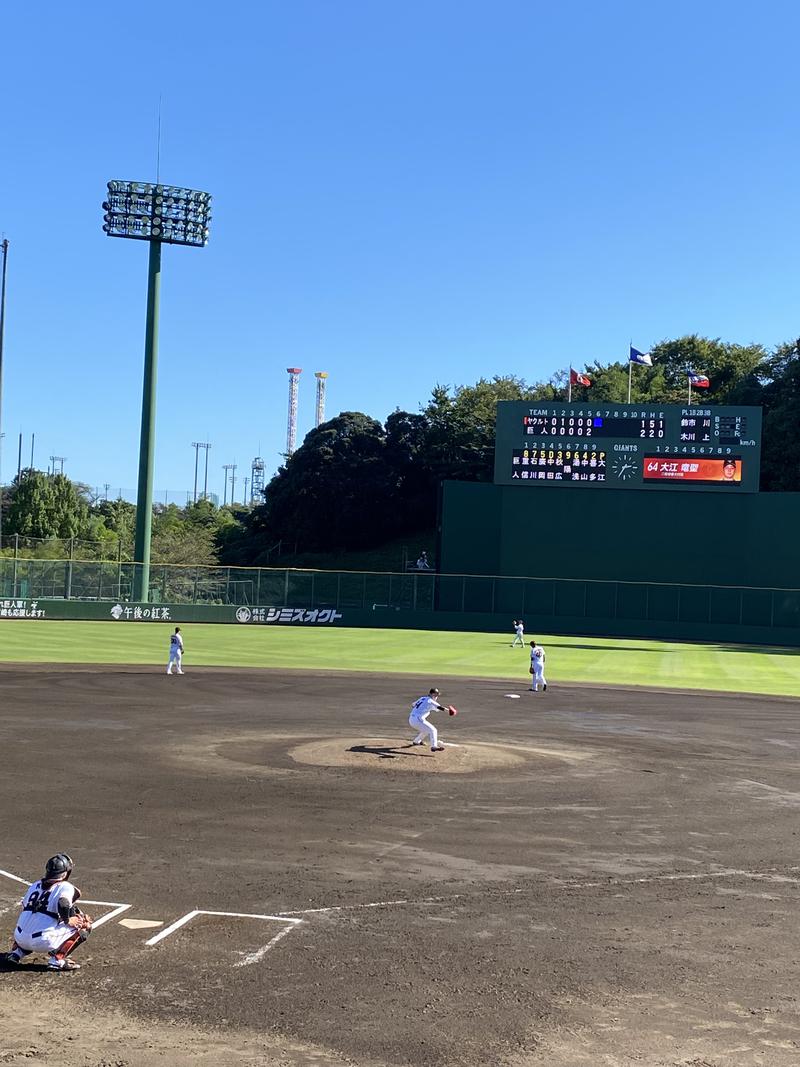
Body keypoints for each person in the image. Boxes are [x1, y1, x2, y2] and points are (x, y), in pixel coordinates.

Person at [3, 854, 92, 972]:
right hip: (43, 941)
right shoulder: (66, 886)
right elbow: (63, 904)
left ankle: (15, 953)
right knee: (85, 925)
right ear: (65, 873)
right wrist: (68, 920)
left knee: (32, 919)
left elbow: (25, 906)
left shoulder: (35, 885)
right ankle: (57, 960)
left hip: (19, 937)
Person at [409, 687, 448, 752]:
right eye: (436, 695)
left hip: (411, 719)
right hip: (417, 720)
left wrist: (423, 708)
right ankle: (434, 746)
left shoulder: (422, 698)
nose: (436, 697)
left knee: (426, 730)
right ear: (433, 695)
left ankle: (416, 741)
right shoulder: (430, 700)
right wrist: (449, 711)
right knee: (433, 730)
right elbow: (440, 707)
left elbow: (413, 705)